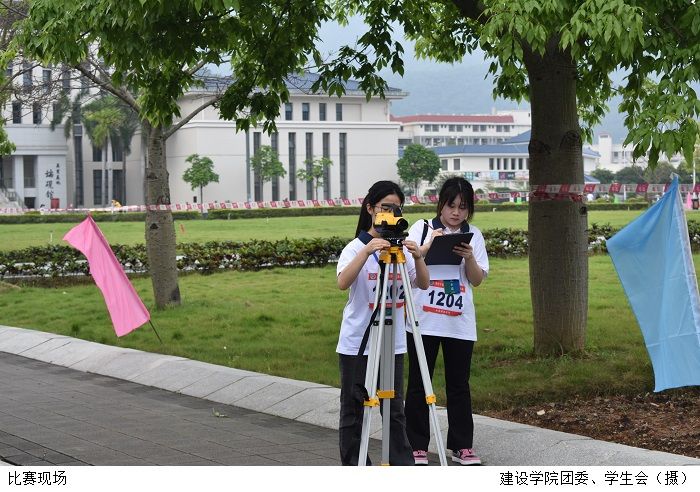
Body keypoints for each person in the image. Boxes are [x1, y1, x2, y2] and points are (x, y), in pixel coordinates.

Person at [336, 180, 430, 466]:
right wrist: (366, 252)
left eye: (396, 208)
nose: (390, 213)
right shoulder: (355, 248)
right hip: (359, 343)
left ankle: (400, 464)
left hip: (393, 342)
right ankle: (356, 465)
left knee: (394, 409)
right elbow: (342, 282)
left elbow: (423, 283)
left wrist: (418, 256)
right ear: (370, 209)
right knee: (354, 408)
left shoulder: (400, 251)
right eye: (385, 207)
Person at [404, 176, 489, 466]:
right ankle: (416, 445)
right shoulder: (422, 228)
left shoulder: (473, 235)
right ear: (441, 204)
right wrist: (429, 246)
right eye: (451, 206)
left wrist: (469, 258)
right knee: (419, 383)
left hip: (459, 322)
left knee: (459, 385)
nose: (456, 212)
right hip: (423, 319)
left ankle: (462, 446)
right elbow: (410, 271)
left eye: (463, 207)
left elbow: (476, 280)